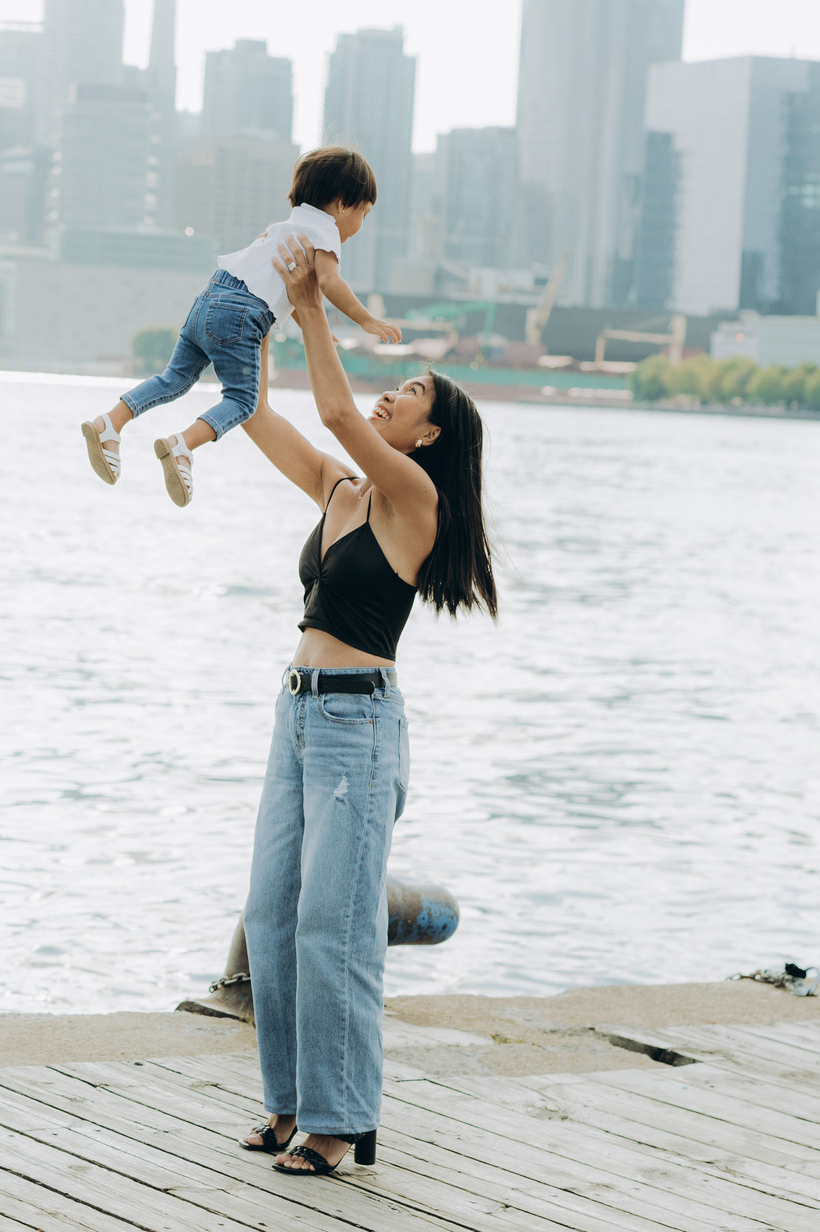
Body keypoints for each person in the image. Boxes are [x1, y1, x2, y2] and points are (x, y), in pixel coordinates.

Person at [229, 237, 497, 1180]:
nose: (394, 393)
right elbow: (257, 411)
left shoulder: (412, 496)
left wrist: (312, 304)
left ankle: (341, 1121)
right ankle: (290, 1100)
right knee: (271, 913)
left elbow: (337, 407)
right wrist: (252, 312)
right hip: (297, 713)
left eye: (412, 390)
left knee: (331, 926)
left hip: (358, 725)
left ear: (429, 433)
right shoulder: (342, 490)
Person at [79, 145, 403, 507]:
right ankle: (183, 445)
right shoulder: (325, 232)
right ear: (343, 204)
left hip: (210, 296)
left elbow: (285, 288)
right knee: (243, 401)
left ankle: (110, 422)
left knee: (174, 379)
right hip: (242, 315)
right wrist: (366, 319)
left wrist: (311, 329)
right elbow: (328, 283)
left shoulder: (282, 227)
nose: (360, 225)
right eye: (364, 213)